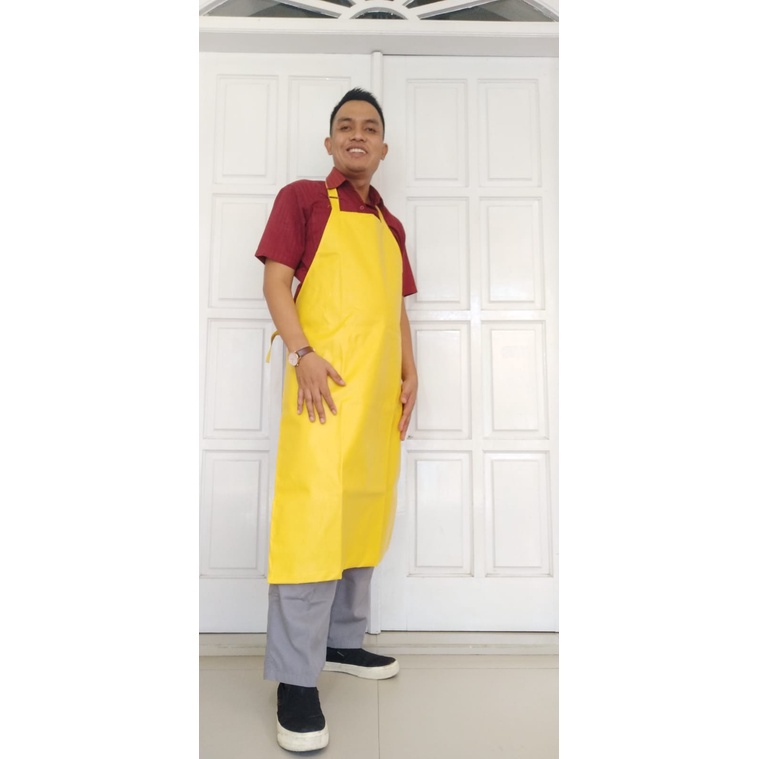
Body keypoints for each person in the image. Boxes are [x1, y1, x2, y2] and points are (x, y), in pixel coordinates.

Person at [254, 88, 418, 752]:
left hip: (374, 398)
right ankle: (296, 680)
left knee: (363, 512)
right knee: (312, 522)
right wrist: (302, 355)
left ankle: (343, 641)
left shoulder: (389, 225)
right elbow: (276, 282)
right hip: (320, 390)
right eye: (345, 126)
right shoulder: (301, 199)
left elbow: (395, 306)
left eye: (369, 128)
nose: (357, 134)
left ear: (382, 148)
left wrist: (410, 371)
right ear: (329, 143)